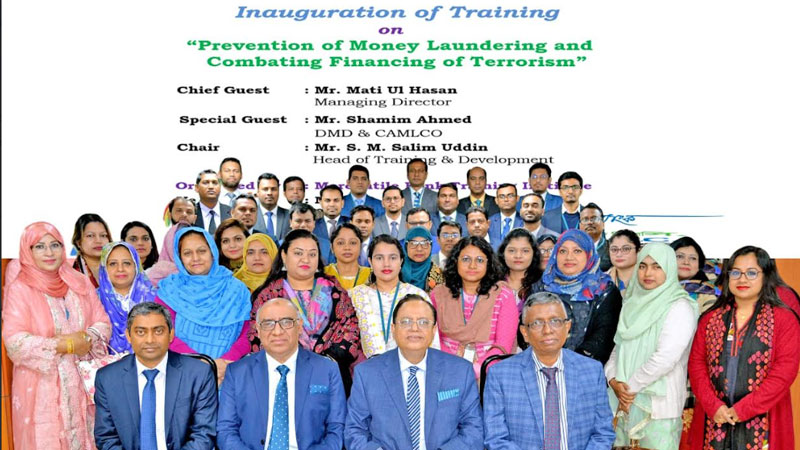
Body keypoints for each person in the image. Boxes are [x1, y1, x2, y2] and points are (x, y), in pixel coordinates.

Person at [3, 222, 112, 449]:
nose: (49, 252)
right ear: (28, 251)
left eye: (55, 245)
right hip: (42, 388)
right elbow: (14, 341)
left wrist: (87, 338)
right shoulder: (20, 288)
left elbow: (103, 322)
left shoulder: (78, 282)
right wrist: (64, 345)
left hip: (83, 384)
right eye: (39, 246)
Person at [688, 246, 800, 450]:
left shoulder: (784, 319)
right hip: (714, 418)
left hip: (764, 419)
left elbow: (785, 372)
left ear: (766, 276)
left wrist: (744, 409)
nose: (742, 279)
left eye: (751, 273)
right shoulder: (710, 318)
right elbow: (696, 365)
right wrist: (714, 406)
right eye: (736, 273)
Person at [345, 295, 483, 449]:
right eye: (406, 322)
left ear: (434, 330)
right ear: (393, 329)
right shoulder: (367, 373)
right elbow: (354, 431)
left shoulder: (460, 371)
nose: (415, 328)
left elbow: (473, 430)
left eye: (423, 322)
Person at [483, 292, 616, 449]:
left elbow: (603, 433)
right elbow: (496, 438)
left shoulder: (591, 371)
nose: (547, 330)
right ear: (525, 333)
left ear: (567, 327)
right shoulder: (500, 375)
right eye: (537, 323)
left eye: (555, 321)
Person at [218, 298, 346, 450]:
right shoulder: (237, 372)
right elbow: (226, 430)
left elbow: (337, 428)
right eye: (268, 324)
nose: (277, 332)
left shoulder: (327, 369)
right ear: (258, 330)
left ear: (299, 326)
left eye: (286, 322)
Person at [605, 243, 699, 450]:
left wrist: (628, 388)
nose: (648, 273)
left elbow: (666, 357)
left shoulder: (680, 306)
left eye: (657, 266)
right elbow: (618, 348)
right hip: (623, 402)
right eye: (643, 266)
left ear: (669, 269)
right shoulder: (631, 303)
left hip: (658, 408)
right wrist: (613, 379)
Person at [249, 229, 363, 392]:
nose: (306, 259)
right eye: (298, 253)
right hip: (283, 375)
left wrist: (325, 361)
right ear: (284, 256)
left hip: (331, 373)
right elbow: (258, 335)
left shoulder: (335, 291)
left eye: (312, 254)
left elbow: (350, 329)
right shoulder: (268, 295)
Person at [94, 302, 218, 450]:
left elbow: (204, 434)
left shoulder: (198, 374)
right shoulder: (108, 378)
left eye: (158, 331)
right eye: (141, 332)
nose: (150, 340)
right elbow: (106, 438)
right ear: (128, 336)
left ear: (171, 334)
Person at [155, 227, 252, 384]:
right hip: (183, 375)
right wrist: (201, 364)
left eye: (202, 251)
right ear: (179, 257)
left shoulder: (237, 289)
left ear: (212, 252)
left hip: (229, 374)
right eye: (187, 253)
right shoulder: (169, 290)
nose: (196, 258)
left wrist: (226, 362)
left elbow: (249, 331)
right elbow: (162, 331)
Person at [530, 229, 622, 364]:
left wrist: (567, 365)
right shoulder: (542, 286)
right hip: (540, 364)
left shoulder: (604, 289)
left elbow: (603, 337)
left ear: (589, 254)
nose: (569, 257)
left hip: (585, 367)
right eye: (563, 251)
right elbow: (527, 326)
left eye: (577, 251)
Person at [431, 236, 519, 377]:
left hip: (489, 372)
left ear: (488, 263)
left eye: (479, 260)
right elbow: (433, 339)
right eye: (466, 259)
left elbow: (503, 345)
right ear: (456, 261)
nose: (472, 266)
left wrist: (476, 369)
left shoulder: (503, 295)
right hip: (445, 368)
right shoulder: (439, 294)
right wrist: (455, 365)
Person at [350, 236, 440, 358]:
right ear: (370, 261)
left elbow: (432, 340)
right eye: (379, 258)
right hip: (366, 365)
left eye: (393, 258)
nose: (386, 264)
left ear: (401, 261)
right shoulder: (355, 295)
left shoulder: (418, 295)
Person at [96, 241, 157, 352]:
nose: (120, 269)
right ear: (104, 268)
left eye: (127, 263)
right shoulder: (94, 299)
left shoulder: (154, 298)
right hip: (104, 361)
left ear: (136, 266)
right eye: (113, 264)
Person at [670, 236, 718, 312]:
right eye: (679, 256)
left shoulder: (708, 293)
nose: (686, 262)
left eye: (693, 258)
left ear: (699, 265)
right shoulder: (655, 287)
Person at [498, 228, 542, 308]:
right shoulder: (493, 283)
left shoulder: (543, 284)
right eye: (512, 251)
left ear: (534, 254)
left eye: (525, 251)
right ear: (503, 253)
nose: (518, 256)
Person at [325, 223, 372, 290]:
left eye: (353, 243)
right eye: (340, 243)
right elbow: (315, 295)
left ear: (360, 247)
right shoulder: (323, 274)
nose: (347, 248)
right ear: (332, 248)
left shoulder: (372, 276)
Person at [72, 213, 112, 288]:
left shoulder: (119, 268)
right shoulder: (70, 275)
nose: (98, 241)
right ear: (78, 242)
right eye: (90, 235)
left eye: (103, 235)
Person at [402, 226, 445, 293]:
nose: (419, 249)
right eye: (413, 243)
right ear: (406, 246)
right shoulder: (396, 272)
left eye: (424, 243)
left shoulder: (439, 275)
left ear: (431, 246)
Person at [193, 169, 232, 234]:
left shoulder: (232, 212)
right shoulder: (191, 213)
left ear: (220, 187)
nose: (211, 187)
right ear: (197, 188)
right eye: (205, 183)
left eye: (215, 183)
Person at [253, 172, 290, 240]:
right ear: (258, 192)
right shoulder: (250, 215)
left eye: (273, 189)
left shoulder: (289, 215)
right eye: (265, 189)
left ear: (279, 191)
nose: (269, 193)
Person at [606, 229, 642, 296]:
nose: (619, 254)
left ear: (638, 251)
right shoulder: (600, 281)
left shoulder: (649, 278)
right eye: (614, 249)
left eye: (626, 249)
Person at [488, 183, 523, 250]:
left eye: (510, 196)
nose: (506, 199)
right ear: (496, 200)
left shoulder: (525, 221)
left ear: (517, 198)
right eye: (502, 196)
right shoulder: (489, 222)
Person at [579, 202, 611, 272]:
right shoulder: (571, 248)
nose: (589, 222)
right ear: (580, 226)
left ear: (603, 224)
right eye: (585, 219)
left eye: (594, 218)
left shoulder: (612, 247)